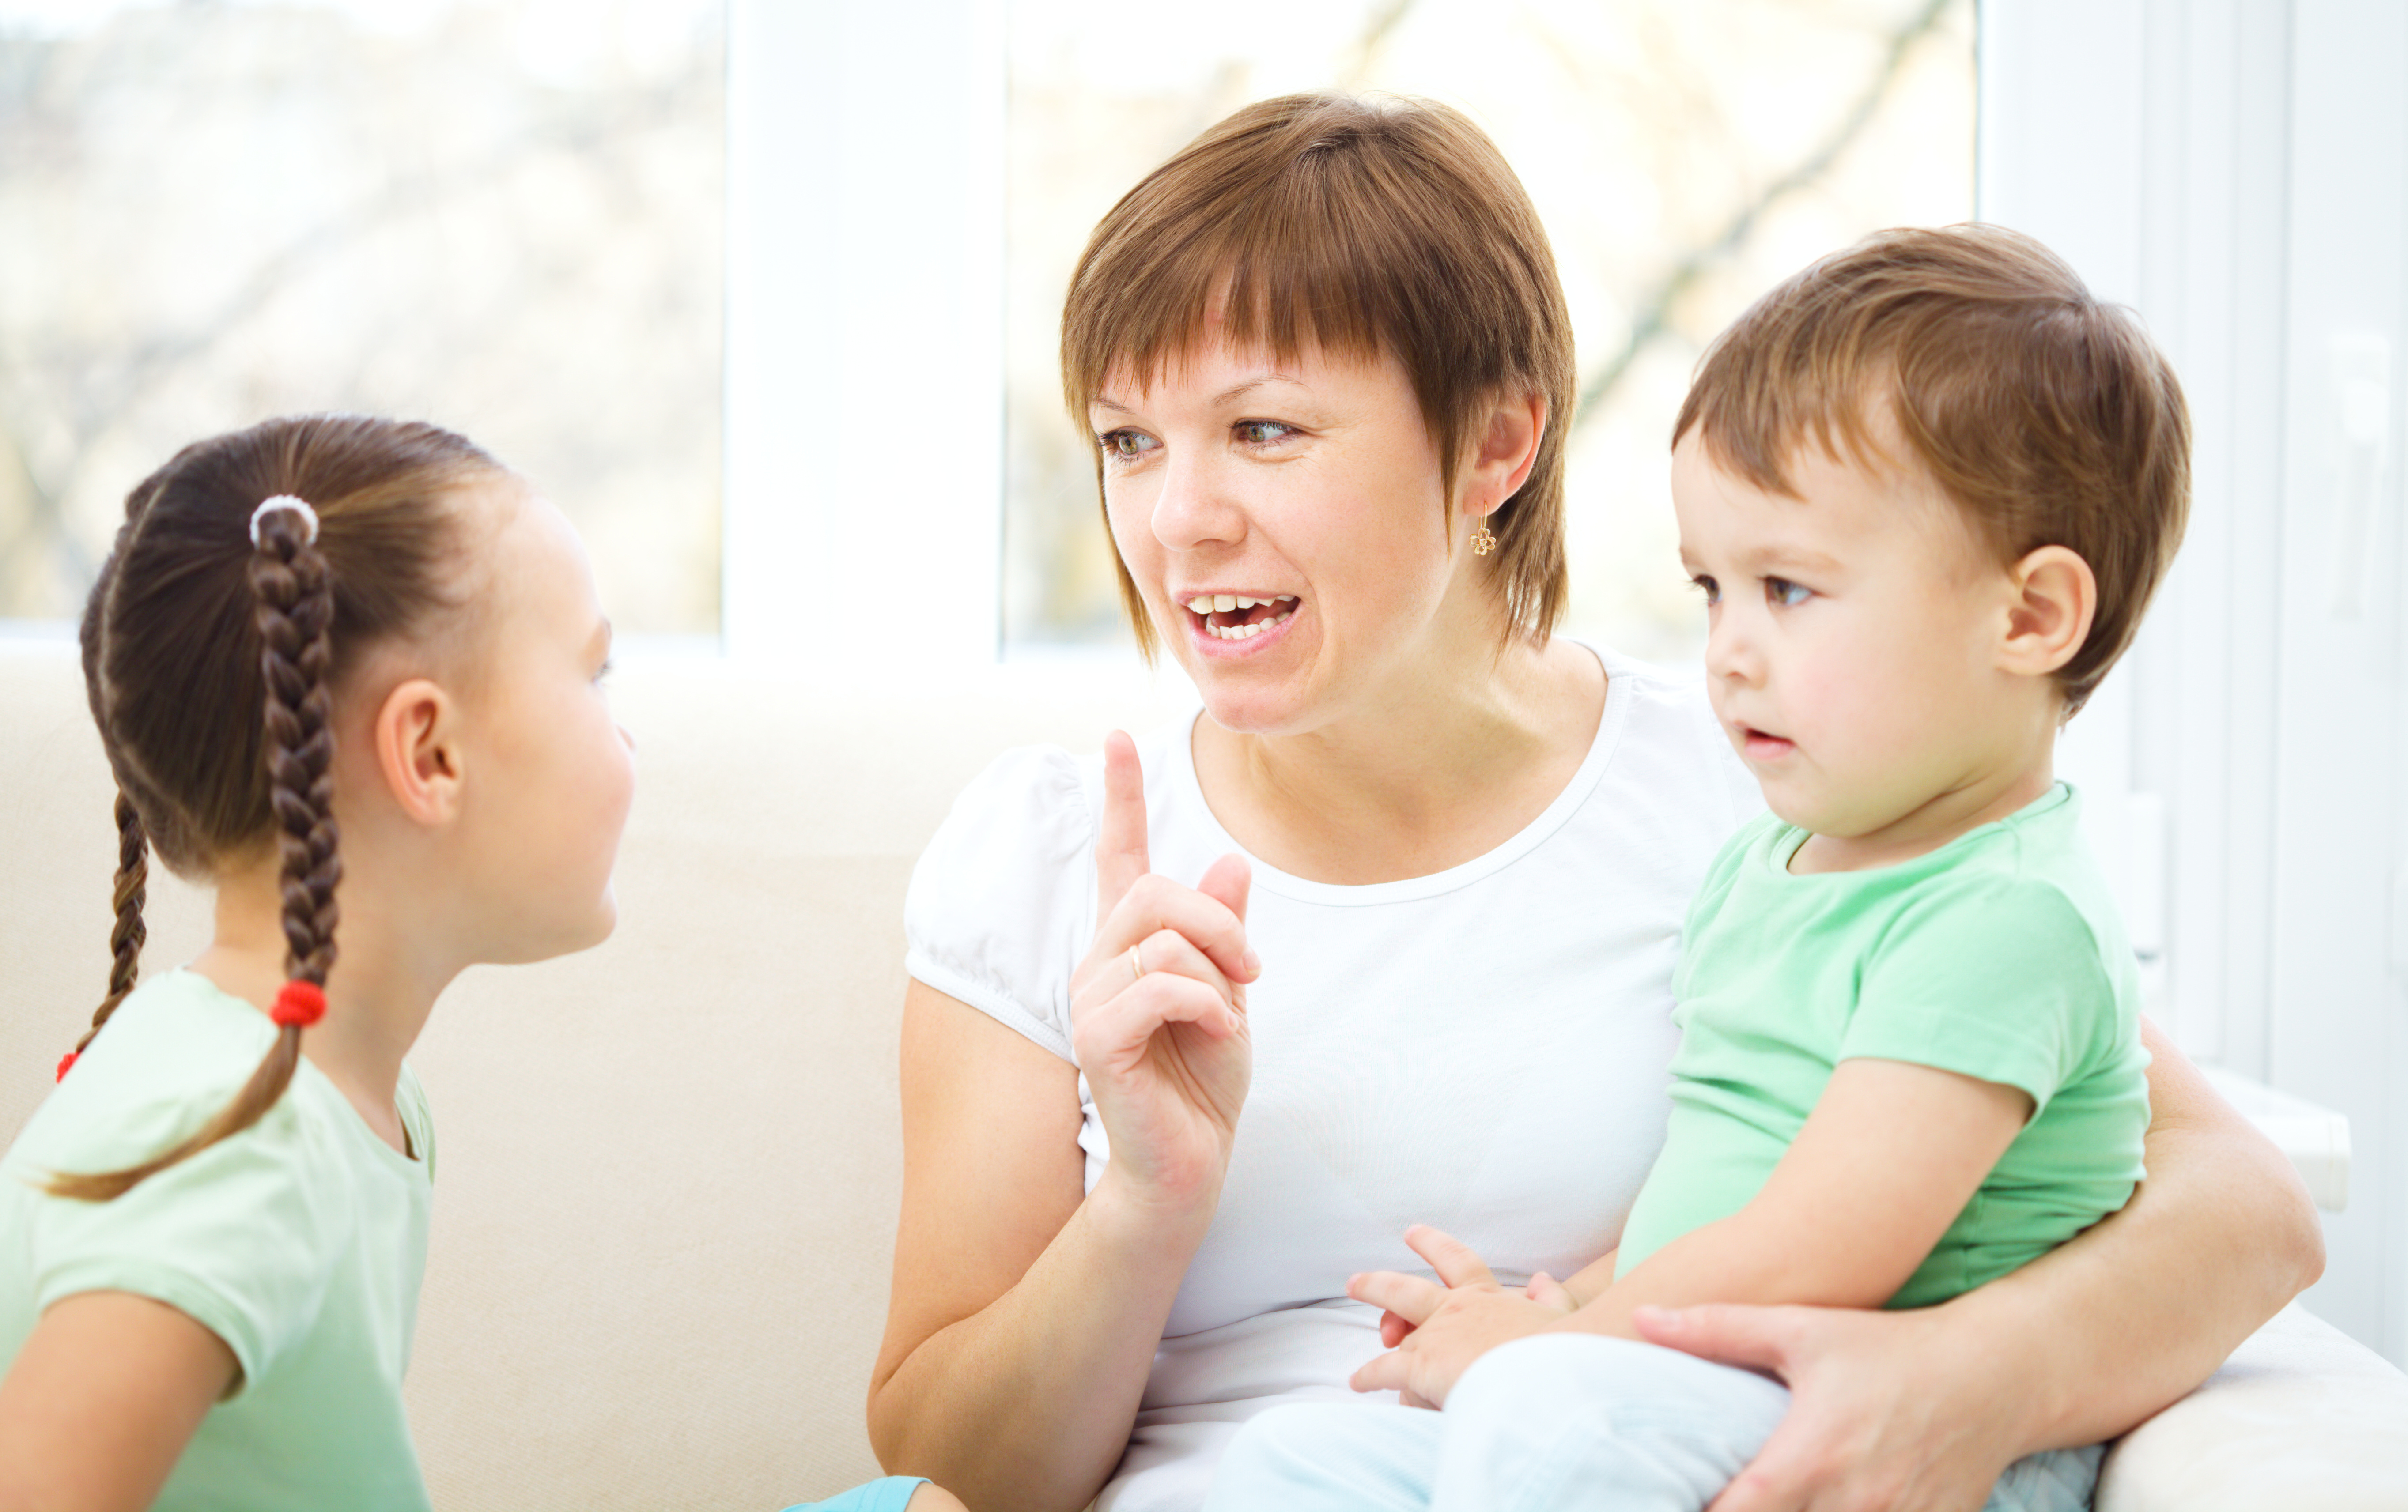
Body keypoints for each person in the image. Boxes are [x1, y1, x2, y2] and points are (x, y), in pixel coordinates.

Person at [869, 94, 2321, 1512]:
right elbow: (961, 1465)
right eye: (1128, 439)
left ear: (1497, 446)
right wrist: (1145, 1194)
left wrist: (1968, 1379)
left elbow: (2242, 1211)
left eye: (1264, 430)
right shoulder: (1055, 853)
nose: (1175, 517)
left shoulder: (1772, 786)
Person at [1200, 223, 2180, 1511]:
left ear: (2028, 616)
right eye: (1711, 588)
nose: (1725, 649)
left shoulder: (2001, 918)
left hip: (1864, 1421)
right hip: (1689, 1377)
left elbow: (1823, 1243)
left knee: (1548, 1423)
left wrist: (1552, 1348)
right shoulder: (1767, 866)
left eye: (1788, 589)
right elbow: (1711, 1192)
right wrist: (1558, 1299)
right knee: (1289, 1463)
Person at [0, 416, 960, 1512]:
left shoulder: (326, 1088)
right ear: (430, 755)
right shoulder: (238, 1150)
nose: (625, 737)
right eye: (594, 677)